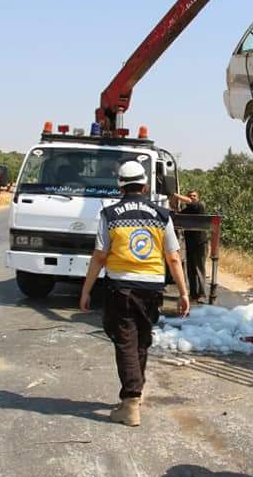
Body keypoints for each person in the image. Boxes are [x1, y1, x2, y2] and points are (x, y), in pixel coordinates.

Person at [79, 160, 190, 427]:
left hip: (121, 288)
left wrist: (86, 290)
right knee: (140, 340)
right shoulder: (163, 215)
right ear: (145, 184)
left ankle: (130, 401)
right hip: (152, 289)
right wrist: (184, 293)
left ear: (120, 185)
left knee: (125, 341)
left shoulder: (110, 214)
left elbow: (100, 256)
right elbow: (173, 258)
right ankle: (135, 394)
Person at [175, 189, 208, 302]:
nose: (192, 197)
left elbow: (191, 202)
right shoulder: (186, 210)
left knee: (200, 269)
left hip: (200, 243)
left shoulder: (199, 206)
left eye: (194, 196)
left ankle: (202, 295)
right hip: (190, 244)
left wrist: (175, 195)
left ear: (197, 198)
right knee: (190, 270)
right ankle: (193, 294)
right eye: (190, 195)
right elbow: (176, 215)